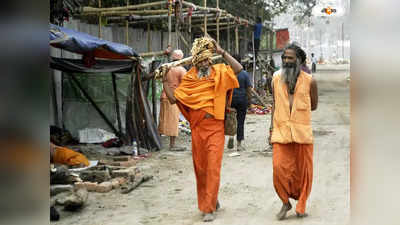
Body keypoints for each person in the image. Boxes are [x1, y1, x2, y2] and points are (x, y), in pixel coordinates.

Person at [162, 36, 242, 222]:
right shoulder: (189, 79)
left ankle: (208, 209)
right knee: (201, 168)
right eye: (202, 59)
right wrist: (165, 80)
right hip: (197, 129)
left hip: (215, 127)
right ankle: (212, 198)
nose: (205, 62)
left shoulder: (220, 72)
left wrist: (221, 52)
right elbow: (174, 99)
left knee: (213, 166)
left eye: (208, 58)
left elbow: (238, 69)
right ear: (196, 61)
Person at [269, 43, 318, 220]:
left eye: (290, 58)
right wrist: (271, 128)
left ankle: (301, 205)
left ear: (299, 60)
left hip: (302, 132)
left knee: (304, 171)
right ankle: (285, 202)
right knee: (278, 168)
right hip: (281, 131)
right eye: (284, 58)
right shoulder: (275, 78)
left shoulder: (310, 80)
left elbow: (313, 105)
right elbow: (274, 103)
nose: (286, 61)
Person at [158, 49, 187, 151]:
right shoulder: (181, 70)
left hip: (163, 96)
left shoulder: (166, 68)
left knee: (162, 120)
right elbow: (185, 85)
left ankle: (157, 143)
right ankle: (172, 145)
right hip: (173, 98)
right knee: (173, 121)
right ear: (181, 58)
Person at [227, 54, 253, 151]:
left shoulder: (228, 73)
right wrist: (249, 103)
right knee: (240, 121)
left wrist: (226, 104)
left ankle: (231, 136)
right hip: (242, 100)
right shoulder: (244, 74)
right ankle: (239, 144)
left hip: (231, 100)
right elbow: (249, 89)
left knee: (230, 120)